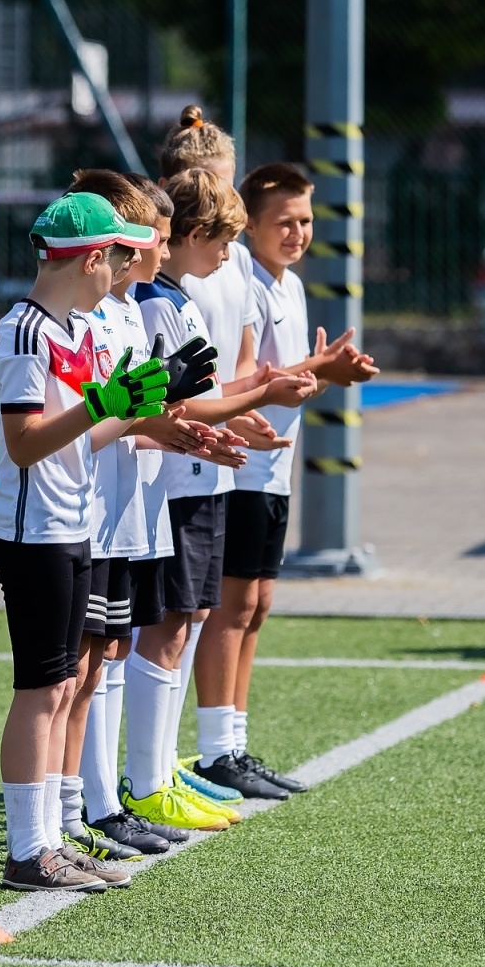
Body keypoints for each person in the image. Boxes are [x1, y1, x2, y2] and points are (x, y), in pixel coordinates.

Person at [0, 191, 173, 892]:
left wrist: (138, 404)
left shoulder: (76, 329)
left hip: (72, 523)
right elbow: (25, 442)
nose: (124, 268)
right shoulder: (25, 331)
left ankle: (49, 840)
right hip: (33, 531)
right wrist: (107, 402)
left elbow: (84, 438)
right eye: (117, 255)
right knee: (41, 689)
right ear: (91, 259)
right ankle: (27, 851)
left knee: (63, 686)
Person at [122, 168, 318, 829]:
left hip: (202, 477)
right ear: (189, 234)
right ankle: (141, 781)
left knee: (187, 622)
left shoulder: (177, 298)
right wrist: (255, 397)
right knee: (146, 636)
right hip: (172, 487)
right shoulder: (159, 302)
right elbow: (168, 404)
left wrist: (240, 408)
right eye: (224, 239)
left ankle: (159, 771)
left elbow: (198, 395)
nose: (230, 254)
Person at [57, 169, 228, 864]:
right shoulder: (89, 316)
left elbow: (130, 415)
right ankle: (85, 809)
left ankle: (101, 805)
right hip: (89, 514)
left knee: (107, 657)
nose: (159, 247)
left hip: (132, 507)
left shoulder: (128, 311)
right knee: (77, 671)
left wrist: (175, 426)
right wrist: (163, 413)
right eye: (153, 237)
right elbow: (86, 422)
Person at [198, 163, 379, 795]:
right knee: (232, 606)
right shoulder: (241, 278)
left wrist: (329, 372)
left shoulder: (292, 285)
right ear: (250, 224)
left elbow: (290, 381)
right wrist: (319, 366)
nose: (297, 232)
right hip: (241, 467)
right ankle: (215, 750)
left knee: (258, 605)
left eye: (305, 221)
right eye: (284, 221)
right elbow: (250, 380)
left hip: (275, 470)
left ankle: (234, 744)